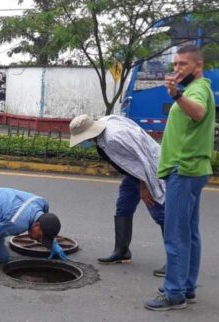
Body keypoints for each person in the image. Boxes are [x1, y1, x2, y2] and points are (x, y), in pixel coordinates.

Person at [144, 44, 215, 312]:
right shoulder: (198, 89)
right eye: (174, 65)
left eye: (182, 64)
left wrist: (176, 94)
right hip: (191, 169)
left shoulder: (197, 89)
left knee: (175, 234)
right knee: (189, 233)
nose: (177, 69)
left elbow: (197, 112)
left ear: (198, 66)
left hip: (183, 170)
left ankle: (175, 294)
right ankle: (186, 287)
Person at [68, 114, 166, 276]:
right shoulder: (104, 129)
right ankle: (122, 251)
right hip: (133, 174)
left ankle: (176, 262)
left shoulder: (114, 138)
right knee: (123, 207)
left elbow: (143, 159)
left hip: (150, 171)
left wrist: (145, 186)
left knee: (160, 214)